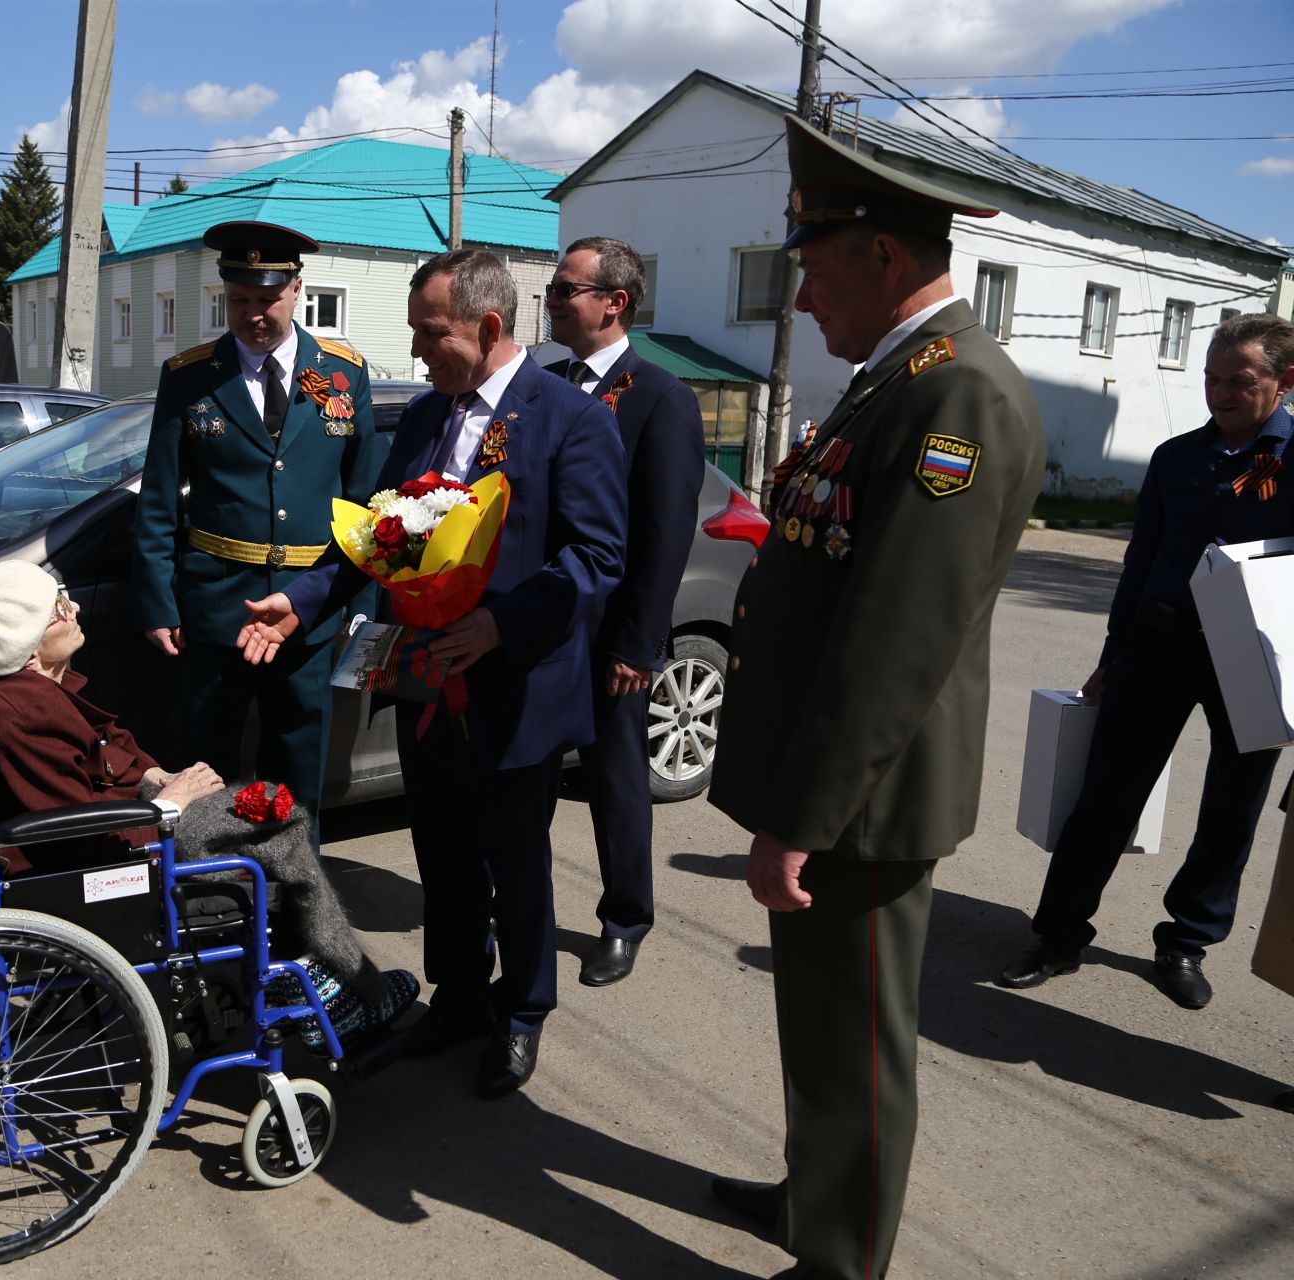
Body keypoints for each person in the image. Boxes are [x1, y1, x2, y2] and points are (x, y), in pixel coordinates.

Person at [704, 115, 1043, 1280]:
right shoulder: (895, 380)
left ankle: (838, 1260)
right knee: (820, 1033)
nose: (800, 296)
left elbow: (895, 643)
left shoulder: (956, 397)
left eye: (812, 265)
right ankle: (816, 1200)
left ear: (884, 257)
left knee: (855, 1043)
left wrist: (803, 815)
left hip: (864, 798)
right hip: (835, 785)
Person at [240, 249, 628, 1099]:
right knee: (444, 855)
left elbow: (596, 559)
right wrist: (302, 604)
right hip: (424, 680)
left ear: (488, 329)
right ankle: (458, 996)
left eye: (430, 333)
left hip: (515, 685)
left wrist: (497, 624)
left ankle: (521, 1013)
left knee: (516, 863)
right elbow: (377, 540)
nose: (416, 350)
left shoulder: (568, 418)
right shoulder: (421, 417)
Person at [0, 558, 418, 1046]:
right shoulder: (26, 717)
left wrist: (158, 775)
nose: (73, 606)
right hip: (128, 849)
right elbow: (82, 835)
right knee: (276, 827)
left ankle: (313, 980)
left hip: (139, 817)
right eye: (58, 609)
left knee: (273, 807)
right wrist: (171, 802)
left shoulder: (29, 687)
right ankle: (333, 995)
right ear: (27, 649)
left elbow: (109, 745)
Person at [1000, 313, 1294, 1009]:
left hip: (1253, 659)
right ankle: (1059, 935)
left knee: (1231, 811)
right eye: (1211, 379)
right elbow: (1139, 566)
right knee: (1106, 794)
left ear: (1285, 381)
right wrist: (1112, 654)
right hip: (1158, 646)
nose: (1219, 394)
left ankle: (1186, 941)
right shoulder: (1177, 458)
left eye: (1239, 381)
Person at [132, 221, 380, 835]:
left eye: (267, 299)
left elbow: (365, 506)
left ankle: (295, 899)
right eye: (239, 300)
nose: (253, 315)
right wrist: (159, 602)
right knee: (204, 767)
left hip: (307, 613)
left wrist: (358, 608)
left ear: (297, 290)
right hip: (216, 609)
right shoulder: (190, 377)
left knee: (297, 769)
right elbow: (161, 498)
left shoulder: (344, 376)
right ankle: (207, 898)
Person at [542, 235, 705, 988]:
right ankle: (525, 910)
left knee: (615, 779)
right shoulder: (543, 384)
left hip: (612, 635)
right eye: (554, 284)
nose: (552, 296)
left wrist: (639, 646)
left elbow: (662, 538)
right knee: (529, 778)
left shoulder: (660, 398)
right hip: (542, 623)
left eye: (568, 287)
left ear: (615, 302)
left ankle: (623, 920)